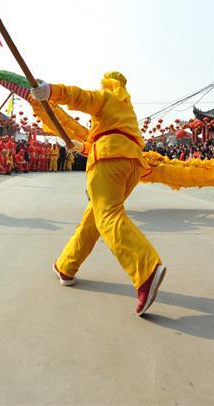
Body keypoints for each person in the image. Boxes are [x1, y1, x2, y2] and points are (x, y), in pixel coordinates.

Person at [31, 72, 166, 316]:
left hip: (109, 159)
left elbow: (80, 97)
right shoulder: (127, 110)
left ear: (107, 84)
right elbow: (112, 136)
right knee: (94, 218)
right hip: (132, 163)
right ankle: (66, 265)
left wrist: (51, 90)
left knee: (108, 216)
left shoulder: (106, 97)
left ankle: (146, 269)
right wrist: (82, 147)